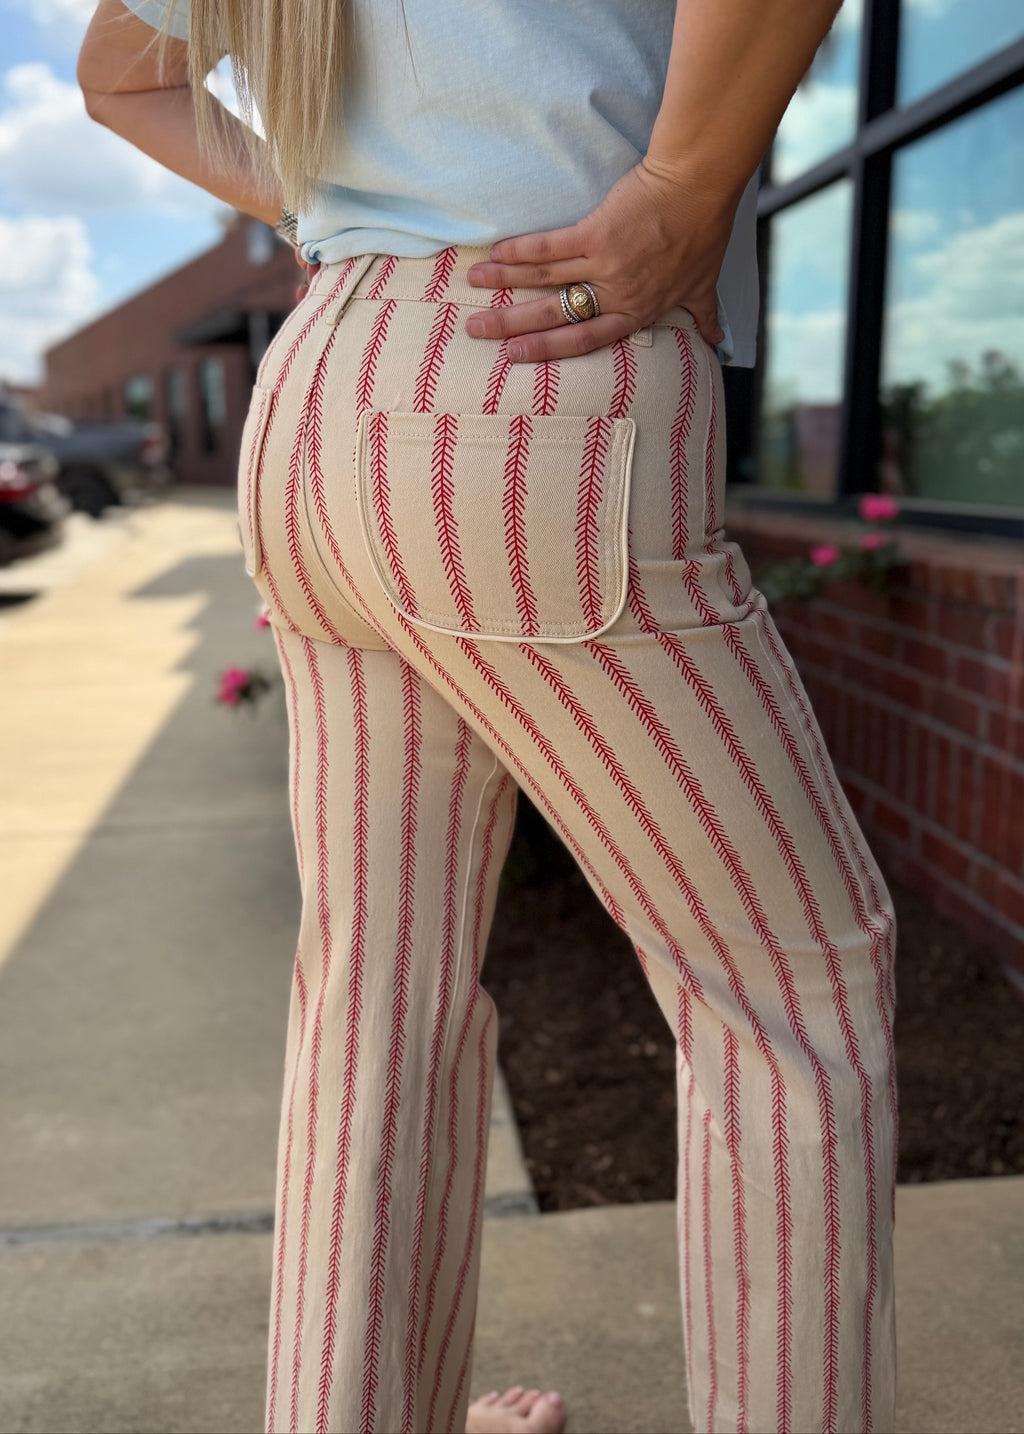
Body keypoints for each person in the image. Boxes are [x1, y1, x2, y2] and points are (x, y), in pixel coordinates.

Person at [77, 1, 898, 1431]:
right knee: (796, 991)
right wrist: (682, 188)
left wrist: (337, 202)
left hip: (324, 384)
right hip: (537, 359)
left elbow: (117, 77)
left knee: (374, 990)